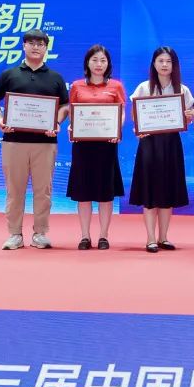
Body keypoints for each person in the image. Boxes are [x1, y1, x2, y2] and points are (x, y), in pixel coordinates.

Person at [0, 28, 70, 250]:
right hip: (13, 142)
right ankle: (15, 234)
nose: (35, 47)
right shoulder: (9, 74)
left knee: (43, 191)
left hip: (45, 143)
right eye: (31, 43)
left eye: (40, 44)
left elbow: (65, 106)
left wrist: (57, 122)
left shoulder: (55, 78)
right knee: (14, 191)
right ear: (24, 46)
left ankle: (40, 233)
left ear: (46, 48)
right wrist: (0, 117)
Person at [129, 46, 192, 253]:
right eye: (161, 61)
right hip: (149, 144)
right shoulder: (144, 87)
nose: (165, 65)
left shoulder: (182, 90)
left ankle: (163, 237)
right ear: (154, 64)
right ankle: (150, 238)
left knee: (167, 190)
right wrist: (139, 127)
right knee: (150, 190)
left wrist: (189, 116)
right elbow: (135, 115)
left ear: (174, 65)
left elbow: (189, 117)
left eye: (169, 61)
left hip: (171, 144)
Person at [66, 44, 126, 250]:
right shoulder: (76, 86)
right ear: (87, 63)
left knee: (105, 193)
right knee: (83, 192)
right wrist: (72, 127)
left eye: (103, 60)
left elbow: (121, 112)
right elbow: (72, 112)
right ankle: (84, 236)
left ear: (108, 64)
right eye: (95, 60)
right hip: (82, 146)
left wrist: (117, 130)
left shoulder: (116, 86)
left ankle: (103, 236)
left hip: (106, 146)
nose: (99, 64)